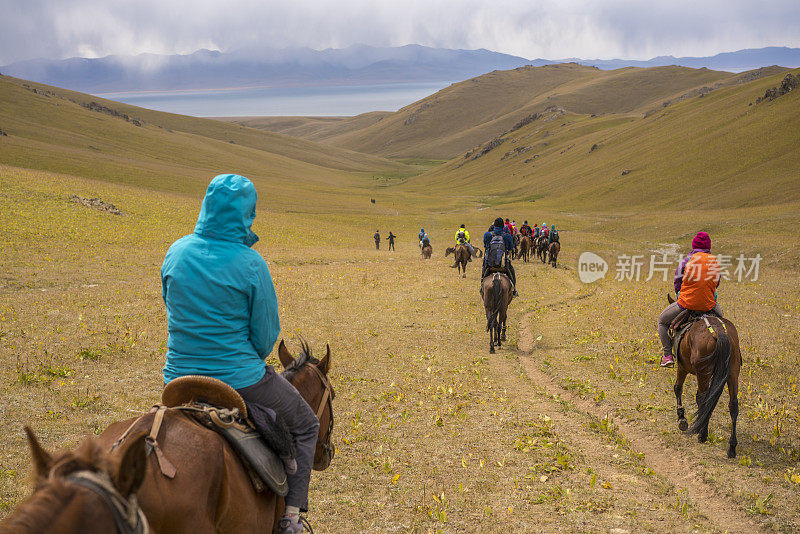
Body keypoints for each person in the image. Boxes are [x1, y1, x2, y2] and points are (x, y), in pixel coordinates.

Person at [161, 174, 319, 534]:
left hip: (178, 380)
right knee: (308, 425)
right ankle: (291, 520)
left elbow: (171, 306)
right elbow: (265, 341)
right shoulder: (250, 263)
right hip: (240, 380)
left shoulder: (176, 251)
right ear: (246, 214)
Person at [657, 231, 723, 368]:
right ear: (708, 247)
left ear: (694, 245)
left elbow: (677, 282)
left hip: (686, 303)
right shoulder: (714, 261)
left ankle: (667, 355)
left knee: (662, 322)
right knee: (722, 321)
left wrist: (679, 294)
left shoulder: (687, 260)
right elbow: (716, 283)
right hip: (708, 304)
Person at [482, 217, 517, 296]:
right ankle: (514, 290)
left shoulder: (487, 234)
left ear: (494, 225)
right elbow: (511, 247)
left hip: (490, 264)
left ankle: (481, 286)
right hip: (503, 264)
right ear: (503, 226)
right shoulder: (507, 236)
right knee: (512, 272)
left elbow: (485, 245)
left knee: (484, 269)